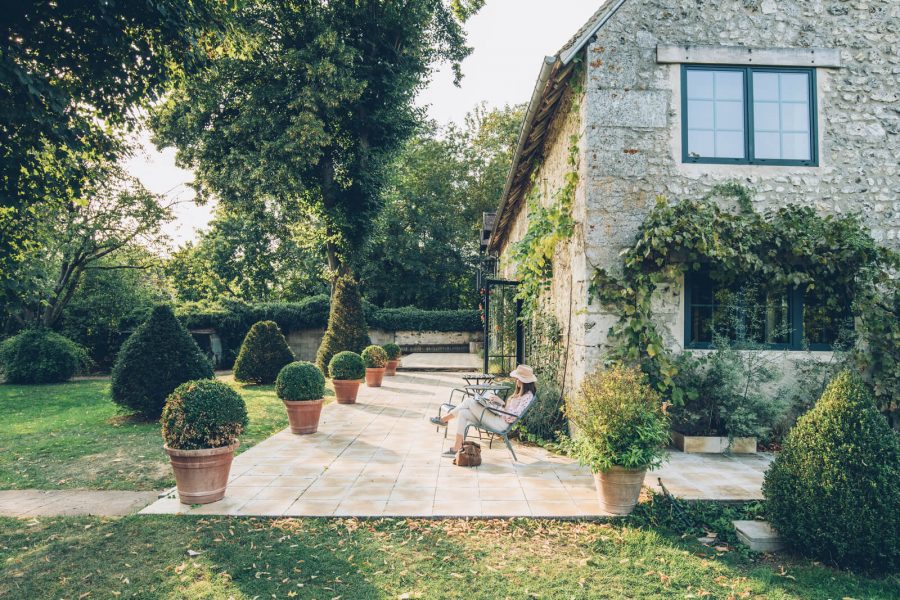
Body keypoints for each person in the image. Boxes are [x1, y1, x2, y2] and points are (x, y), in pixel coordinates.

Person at [431, 365, 537, 458]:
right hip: (497, 418)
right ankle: (457, 446)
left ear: (523, 381)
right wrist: (495, 404)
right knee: (463, 412)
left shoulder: (527, 396)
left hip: (500, 424)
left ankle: (444, 420)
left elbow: (512, 416)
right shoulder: (520, 393)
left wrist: (502, 404)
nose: (516, 381)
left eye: (517, 378)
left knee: (469, 401)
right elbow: (507, 411)